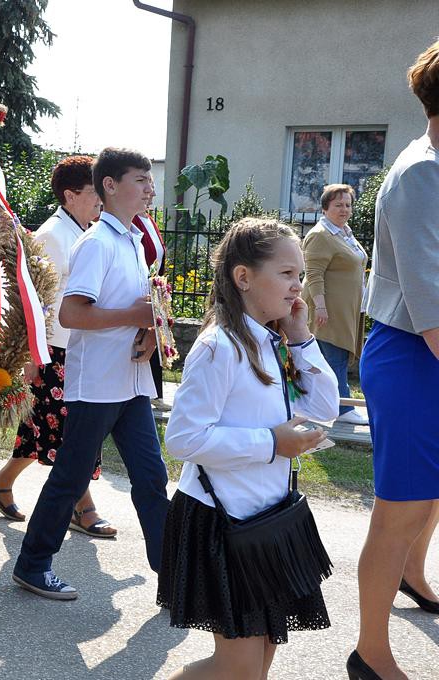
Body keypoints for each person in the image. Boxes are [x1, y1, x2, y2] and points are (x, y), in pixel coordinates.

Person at [158, 218, 339, 680]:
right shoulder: (219, 347)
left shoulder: (275, 342)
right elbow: (183, 438)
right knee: (236, 668)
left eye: (300, 275)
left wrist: (302, 341)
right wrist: (271, 442)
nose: (298, 286)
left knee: (258, 664)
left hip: (267, 519)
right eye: (286, 274)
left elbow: (323, 407)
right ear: (243, 277)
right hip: (221, 521)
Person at [12, 148, 169, 600]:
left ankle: (171, 574)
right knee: (70, 478)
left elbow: (136, 311)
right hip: (97, 385)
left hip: (132, 384)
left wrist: (148, 332)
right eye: (141, 180)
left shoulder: (131, 241)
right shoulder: (97, 242)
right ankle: (33, 564)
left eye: (149, 180)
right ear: (111, 186)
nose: (150, 188)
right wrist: (132, 317)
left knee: (152, 477)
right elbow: (72, 313)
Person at [350, 38, 439, 680]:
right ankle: (370, 654)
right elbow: (432, 312)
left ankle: (414, 573)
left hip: (424, 349)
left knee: (430, 495)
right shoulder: (420, 177)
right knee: (400, 507)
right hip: (414, 353)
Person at [0, 156, 116, 538]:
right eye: (93, 193)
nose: (100, 201)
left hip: (76, 350)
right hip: (53, 351)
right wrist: (27, 356)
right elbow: (30, 300)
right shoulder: (54, 235)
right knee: (72, 433)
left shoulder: (82, 229)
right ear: (71, 196)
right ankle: (83, 507)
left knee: (41, 429)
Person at [300, 183, 370, 426]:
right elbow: (314, 274)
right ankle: (342, 408)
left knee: (333, 357)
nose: (344, 209)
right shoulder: (321, 234)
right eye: (338, 205)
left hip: (345, 310)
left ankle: (322, 405)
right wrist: (320, 307)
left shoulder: (344, 232)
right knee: (335, 357)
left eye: (348, 205)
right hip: (327, 310)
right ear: (325, 207)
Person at [133, 195, 167, 407]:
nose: (151, 192)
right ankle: (148, 393)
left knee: (157, 339)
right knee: (144, 338)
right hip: (142, 290)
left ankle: (156, 393)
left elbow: (159, 255)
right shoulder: (133, 222)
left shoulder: (149, 220)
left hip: (155, 288)